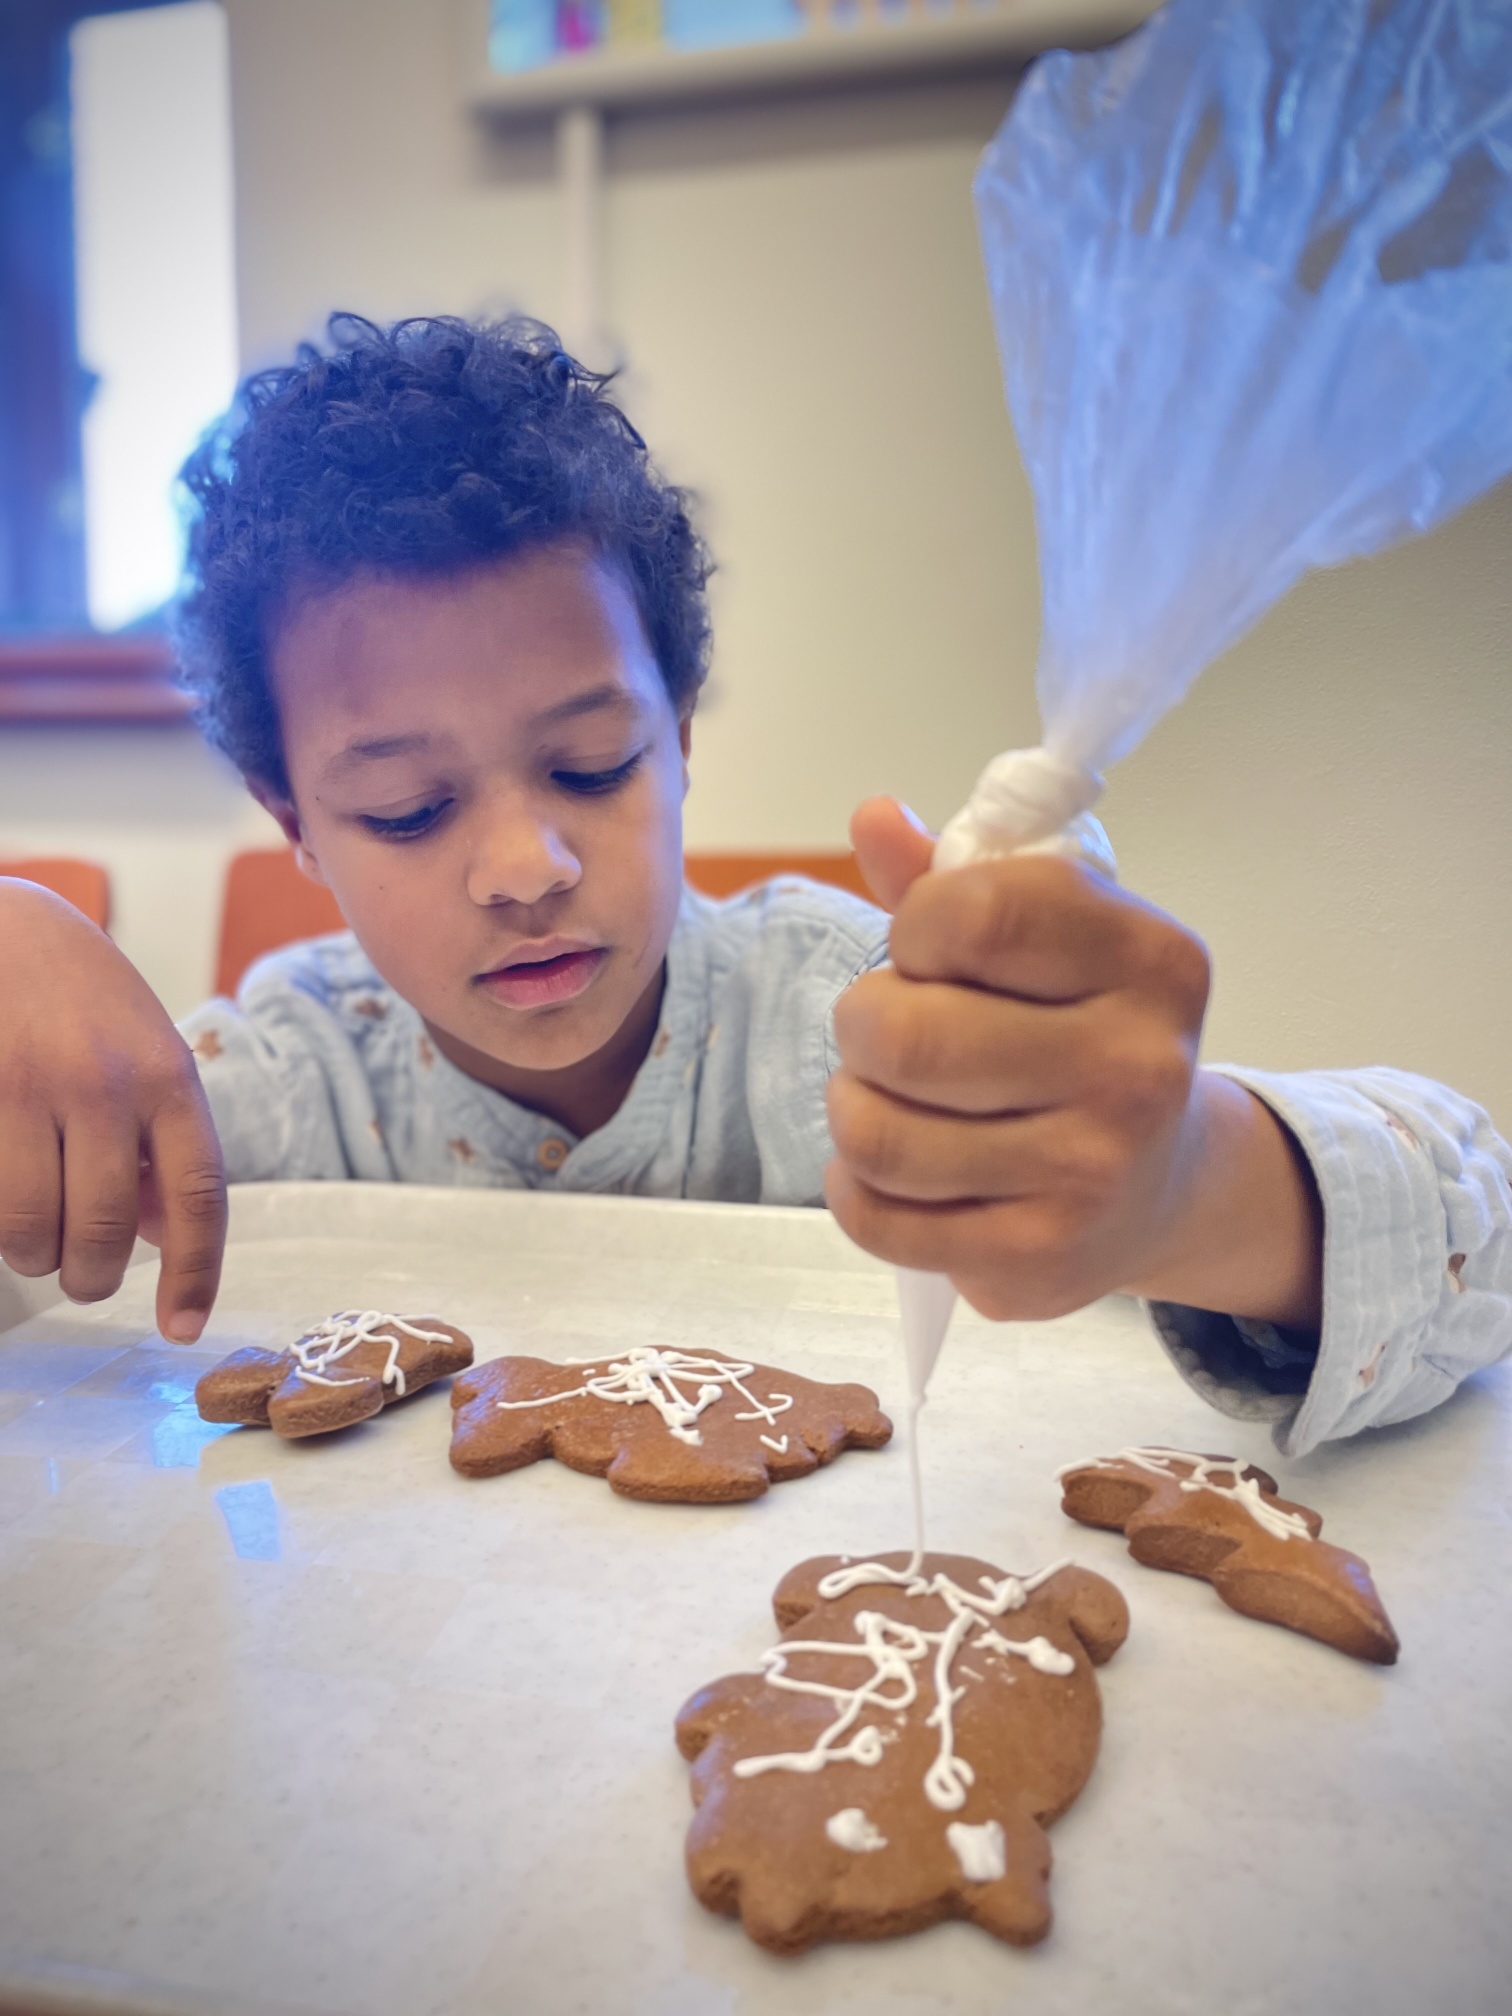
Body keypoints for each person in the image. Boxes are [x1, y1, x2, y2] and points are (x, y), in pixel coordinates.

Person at [0, 315, 1505, 1459]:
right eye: (408, 809)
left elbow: (1474, 1237)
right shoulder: (282, 1083)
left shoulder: (863, 1023)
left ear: (679, 741)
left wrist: (1194, 1185)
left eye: (591, 763)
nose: (526, 868)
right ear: (298, 828)